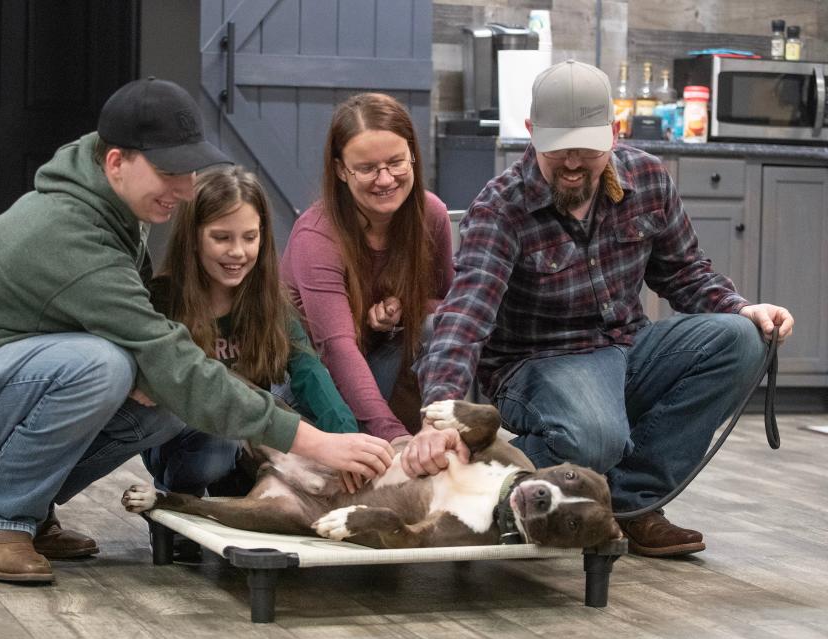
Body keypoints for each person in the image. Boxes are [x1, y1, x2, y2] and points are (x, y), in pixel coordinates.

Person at [0, 77, 393, 585]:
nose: (186, 189)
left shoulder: (116, 208)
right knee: (106, 366)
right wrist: (317, 444)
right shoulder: (72, 231)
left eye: (190, 171)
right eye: (171, 171)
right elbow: (165, 354)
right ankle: (2, 519)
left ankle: (30, 509)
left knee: (162, 397)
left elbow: (182, 364)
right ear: (117, 162)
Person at [407, 60, 794, 558]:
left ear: (614, 132)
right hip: (540, 364)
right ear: (530, 133)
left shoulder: (649, 180)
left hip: (629, 349)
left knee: (742, 339)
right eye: (558, 149)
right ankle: (496, 485)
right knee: (595, 436)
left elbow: (686, 273)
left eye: (587, 149)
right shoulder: (501, 208)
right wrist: (441, 420)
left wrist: (745, 308)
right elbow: (465, 317)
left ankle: (633, 504)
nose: (572, 163)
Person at [141, 165, 362, 501]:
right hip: (185, 440)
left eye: (250, 237)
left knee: (306, 419)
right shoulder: (163, 300)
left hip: (246, 437)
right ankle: (177, 497)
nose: (238, 252)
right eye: (221, 238)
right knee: (217, 440)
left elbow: (309, 372)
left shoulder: (269, 301)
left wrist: (346, 439)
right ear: (194, 238)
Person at [280, 93, 454, 446]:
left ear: (413, 156)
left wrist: (409, 307)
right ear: (342, 170)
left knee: (438, 326)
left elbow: (450, 304)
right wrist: (393, 438)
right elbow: (338, 350)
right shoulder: (317, 236)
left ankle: (435, 437)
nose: (386, 179)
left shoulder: (430, 214)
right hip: (314, 386)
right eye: (367, 168)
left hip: (383, 368)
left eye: (396, 162)